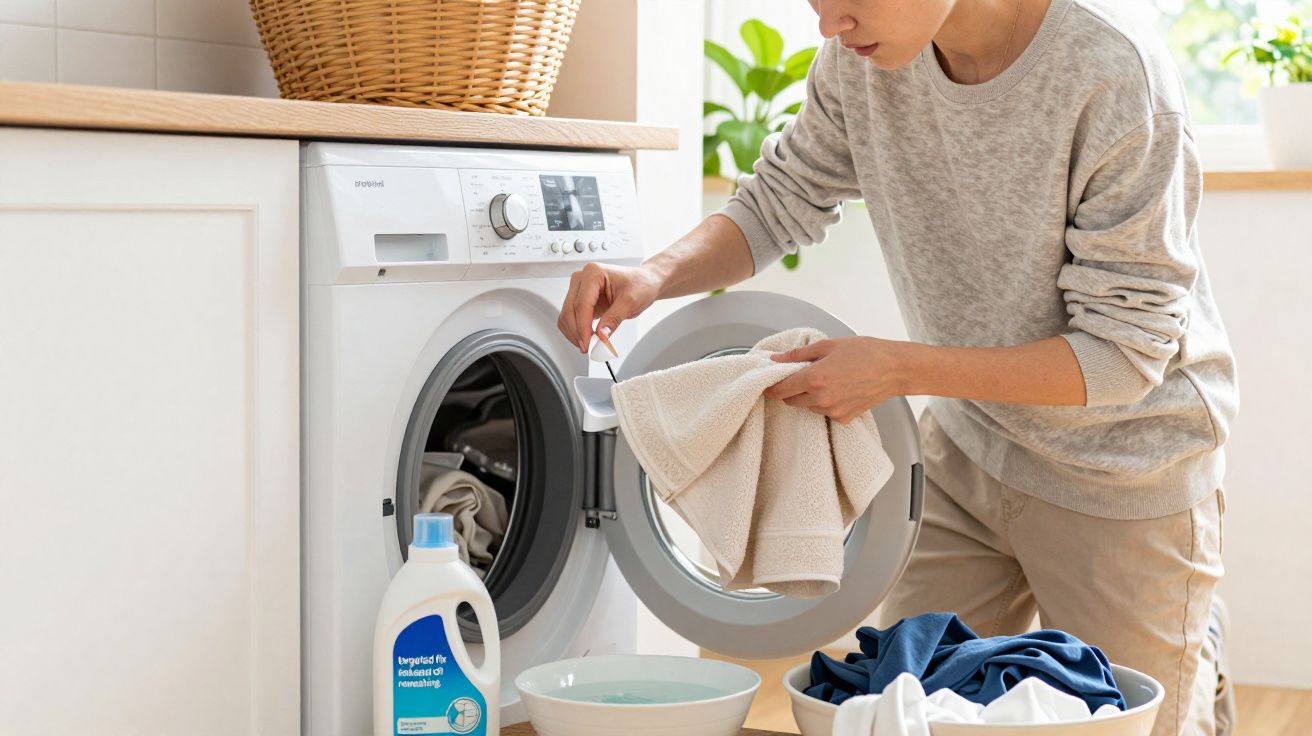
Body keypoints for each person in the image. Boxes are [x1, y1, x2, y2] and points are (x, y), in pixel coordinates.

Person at [556, 1, 1238, 734]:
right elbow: (784, 197)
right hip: (971, 447)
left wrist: (895, 370)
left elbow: (1123, 353)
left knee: (1131, 722)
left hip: (1123, 473)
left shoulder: (1113, 70)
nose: (830, 27)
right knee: (898, 712)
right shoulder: (866, 56)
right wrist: (652, 277)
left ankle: (1197, 664)